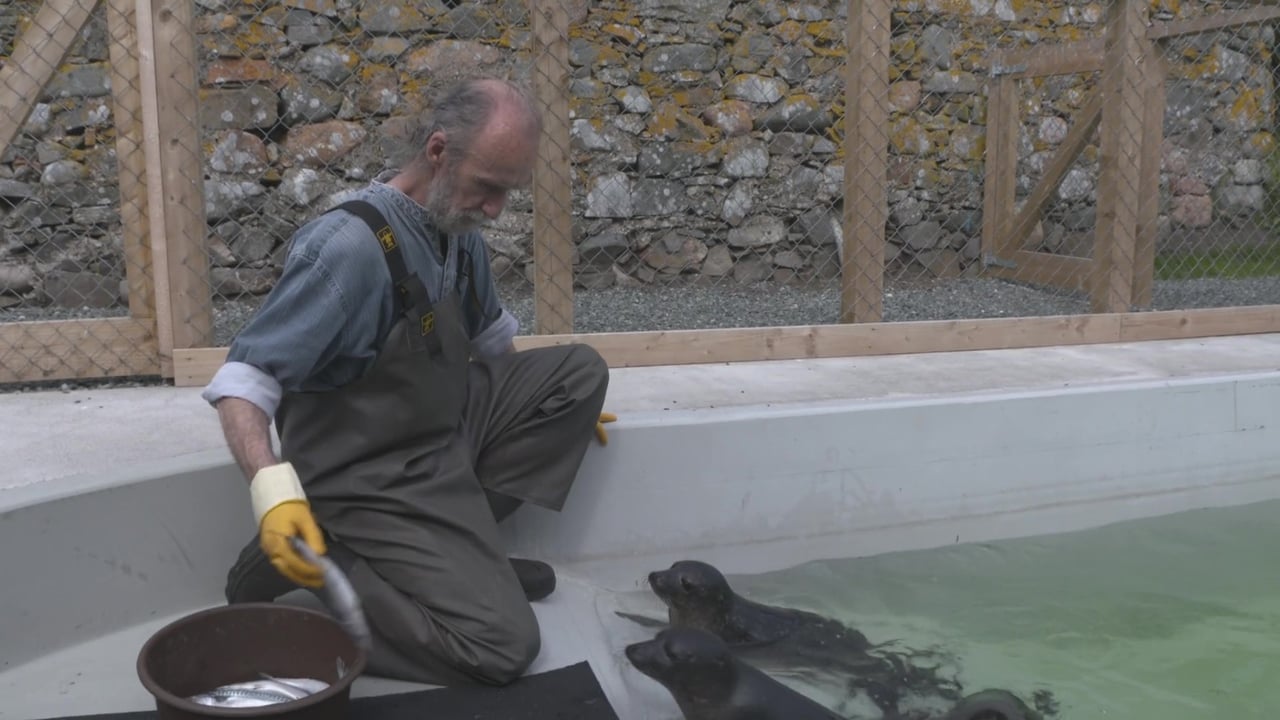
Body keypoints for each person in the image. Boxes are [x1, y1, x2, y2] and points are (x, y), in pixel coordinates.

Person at [200, 76, 614, 687]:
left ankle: (461, 565)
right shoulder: (347, 250)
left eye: (509, 193)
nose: (497, 210)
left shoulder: (457, 228)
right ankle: (331, 559)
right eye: (489, 188)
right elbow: (244, 381)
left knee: (580, 374)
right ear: (439, 151)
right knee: (501, 646)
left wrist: (559, 414)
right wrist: (273, 494)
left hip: (436, 435)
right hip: (368, 474)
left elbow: (491, 341)